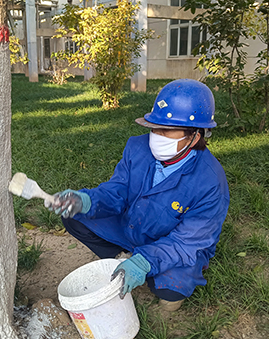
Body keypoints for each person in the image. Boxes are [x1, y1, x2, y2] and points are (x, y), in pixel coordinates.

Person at [46, 79, 230, 312]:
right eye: (154, 127)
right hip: (133, 225)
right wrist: (87, 200)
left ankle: (142, 263)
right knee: (74, 216)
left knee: (169, 289)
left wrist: (146, 261)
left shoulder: (211, 182)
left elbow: (187, 241)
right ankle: (123, 258)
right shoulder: (137, 148)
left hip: (173, 243)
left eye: (167, 130)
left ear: (195, 136)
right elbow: (117, 191)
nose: (156, 136)